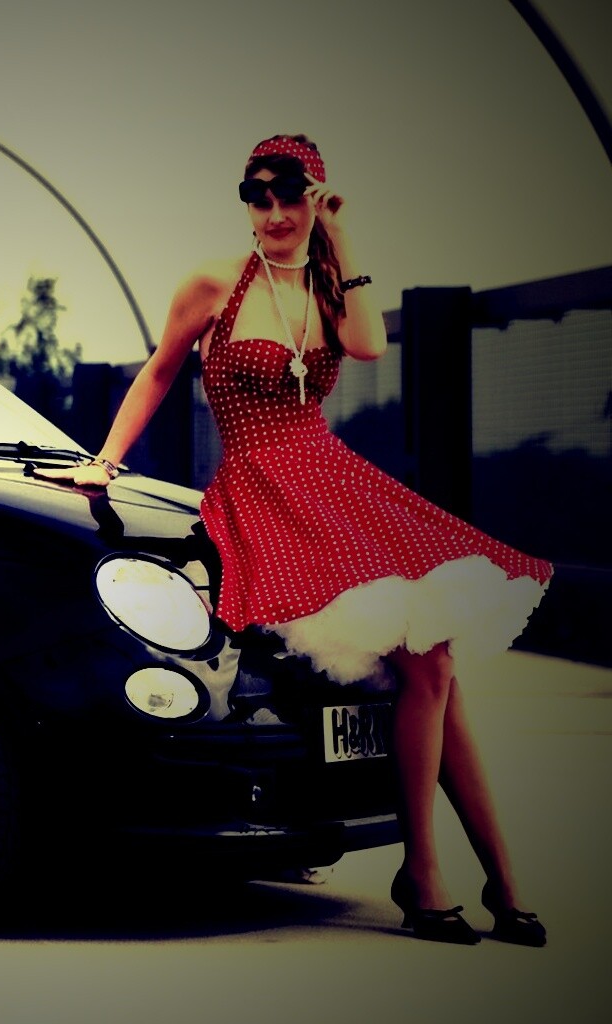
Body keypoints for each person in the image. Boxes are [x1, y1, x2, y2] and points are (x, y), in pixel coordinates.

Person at [36, 134, 552, 946]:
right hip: (261, 492)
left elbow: (368, 344)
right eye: (258, 195)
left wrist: (340, 237)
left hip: (333, 483)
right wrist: (105, 459)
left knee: (435, 660)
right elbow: (160, 370)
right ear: (246, 200)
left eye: (290, 195)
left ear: (314, 198)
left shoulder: (327, 285)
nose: (274, 212)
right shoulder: (213, 283)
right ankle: (430, 876)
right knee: (426, 663)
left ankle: (495, 878)